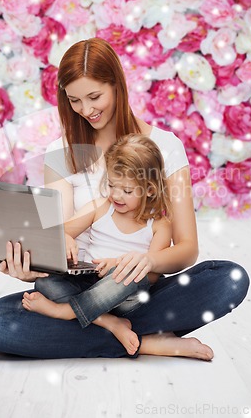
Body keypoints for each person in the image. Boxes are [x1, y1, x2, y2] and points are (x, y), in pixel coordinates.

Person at [0, 37, 250, 360]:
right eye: (75, 100)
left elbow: (188, 249)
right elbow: (61, 236)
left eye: (95, 96)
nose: (87, 110)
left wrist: (148, 261)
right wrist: (31, 264)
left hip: (139, 288)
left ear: (117, 85)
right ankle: (142, 339)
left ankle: (101, 327)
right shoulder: (60, 153)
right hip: (76, 286)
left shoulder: (166, 147)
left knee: (229, 279)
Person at [22, 133, 190, 357]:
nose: (116, 195)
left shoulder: (159, 225)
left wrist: (118, 266)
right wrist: (66, 239)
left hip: (123, 294)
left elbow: (151, 276)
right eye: (112, 185)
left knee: (134, 277)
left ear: (150, 189)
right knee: (46, 283)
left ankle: (65, 312)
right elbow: (60, 233)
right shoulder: (101, 206)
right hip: (87, 283)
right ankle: (109, 322)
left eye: (127, 191)